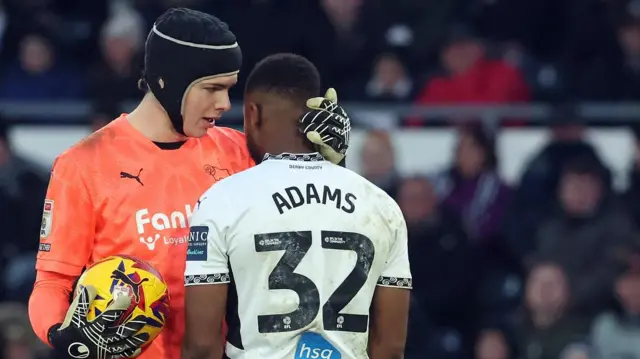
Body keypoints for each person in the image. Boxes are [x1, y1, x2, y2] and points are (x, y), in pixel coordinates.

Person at [28, 8, 349, 359]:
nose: (224, 104)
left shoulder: (239, 151)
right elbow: (52, 284)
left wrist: (327, 167)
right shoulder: (83, 164)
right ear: (169, 81)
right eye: (212, 88)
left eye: (228, 89)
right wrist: (64, 338)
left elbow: (315, 237)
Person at [182, 53, 411, 359]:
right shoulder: (383, 205)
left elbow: (201, 346)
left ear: (253, 113)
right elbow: (392, 348)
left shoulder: (222, 200)